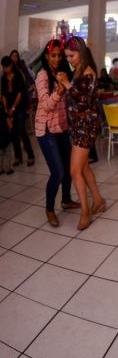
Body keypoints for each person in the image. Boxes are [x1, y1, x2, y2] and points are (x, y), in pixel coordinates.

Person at [56, 37, 105, 230]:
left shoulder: (88, 72)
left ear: (81, 53)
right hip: (77, 125)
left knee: (74, 170)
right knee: (83, 168)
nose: (69, 59)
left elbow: (83, 99)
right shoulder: (77, 72)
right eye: (67, 56)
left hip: (86, 125)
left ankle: (86, 212)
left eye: (72, 55)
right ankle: (99, 200)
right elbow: (73, 96)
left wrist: (67, 85)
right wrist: (64, 86)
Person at [34, 40, 80, 227]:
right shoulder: (42, 75)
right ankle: (50, 209)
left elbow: (67, 101)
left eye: (59, 55)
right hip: (45, 129)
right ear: (46, 56)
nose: (57, 58)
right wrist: (60, 91)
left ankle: (66, 199)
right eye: (53, 55)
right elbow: (46, 104)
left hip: (61, 127)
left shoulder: (60, 74)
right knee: (58, 172)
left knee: (69, 168)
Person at [0, 55, 35, 167]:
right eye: (3, 68)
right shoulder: (3, 78)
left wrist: (13, 108)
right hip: (9, 107)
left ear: (10, 65)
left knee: (21, 131)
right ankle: (18, 157)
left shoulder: (18, 75)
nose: (5, 70)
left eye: (6, 67)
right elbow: (4, 94)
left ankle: (30, 155)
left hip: (19, 106)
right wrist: (6, 109)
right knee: (13, 133)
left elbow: (20, 94)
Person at [0, 101, 14, 175]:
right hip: (6, 137)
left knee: (1, 154)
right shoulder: (4, 114)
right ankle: (8, 169)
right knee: (8, 153)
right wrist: (11, 121)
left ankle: (0, 169)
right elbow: (10, 125)